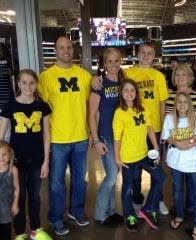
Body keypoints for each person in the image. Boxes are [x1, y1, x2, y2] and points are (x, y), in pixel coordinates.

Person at [92, 42, 169, 215]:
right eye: (143, 52)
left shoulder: (158, 75)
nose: (146, 56)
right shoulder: (127, 73)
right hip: (131, 131)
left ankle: (158, 200)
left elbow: (162, 103)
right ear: (137, 54)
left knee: (156, 167)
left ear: (154, 55)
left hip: (153, 127)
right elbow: (109, 77)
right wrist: (95, 78)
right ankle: (136, 199)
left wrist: (164, 128)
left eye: (150, 53)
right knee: (134, 171)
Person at [38, 36, 91, 235]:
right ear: (55, 50)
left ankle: (76, 211)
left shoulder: (84, 76)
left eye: (69, 47)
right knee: (56, 183)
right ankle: (56, 217)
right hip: (57, 139)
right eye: (62, 48)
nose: (66, 51)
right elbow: (40, 109)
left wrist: (92, 133)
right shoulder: (46, 77)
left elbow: (89, 106)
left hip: (80, 137)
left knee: (80, 180)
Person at [0, 69, 52, 240]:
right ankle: (20, 232)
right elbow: (1, 136)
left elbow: (46, 134)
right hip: (17, 161)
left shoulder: (42, 106)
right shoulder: (10, 106)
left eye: (31, 82)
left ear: (36, 84)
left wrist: (46, 161)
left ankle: (35, 229)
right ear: (18, 84)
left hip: (37, 159)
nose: (28, 86)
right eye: (24, 82)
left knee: (35, 196)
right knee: (20, 196)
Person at [113, 79, 165, 232]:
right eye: (126, 90)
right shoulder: (119, 113)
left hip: (143, 155)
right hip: (128, 158)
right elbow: (117, 138)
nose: (129, 93)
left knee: (161, 177)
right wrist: (117, 158)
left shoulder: (143, 108)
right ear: (121, 93)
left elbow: (149, 128)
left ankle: (148, 208)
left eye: (132, 90)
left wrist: (156, 146)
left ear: (136, 93)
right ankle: (129, 215)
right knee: (127, 187)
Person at [162, 92, 196, 240]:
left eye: (185, 102)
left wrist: (190, 145)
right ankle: (180, 216)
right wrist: (176, 143)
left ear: (190, 104)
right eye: (179, 102)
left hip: (191, 162)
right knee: (177, 190)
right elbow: (166, 137)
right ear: (175, 104)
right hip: (175, 161)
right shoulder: (170, 118)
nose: (182, 105)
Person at [88, 48, 124, 227]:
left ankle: (110, 211)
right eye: (109, 61)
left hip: (121, 138)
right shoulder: (99, 84)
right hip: (105, 136)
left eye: (116, 60)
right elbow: (92, 113)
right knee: (111, 177)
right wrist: (96, 140)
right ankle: (100, 214)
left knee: (114, 174)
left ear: (121, 61)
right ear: (104, 64)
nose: (113, 64)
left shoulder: (124, 81)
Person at [165, 64, 196, 214]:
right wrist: (173, 141)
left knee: (191, 177)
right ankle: (179, 206)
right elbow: (168, 120)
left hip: (191, 143)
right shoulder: (169, 97)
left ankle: (191, 206)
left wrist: (190, 142)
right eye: (177, 75)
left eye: (183, 75)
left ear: (190, 78)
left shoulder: (195, 96)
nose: (180, 78)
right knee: (177, 177)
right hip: (174, 143)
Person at [0, 140, 19, 240]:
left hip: (7, 208)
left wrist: (15, 204)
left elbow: (16, 187)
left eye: (4, 154)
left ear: (9, 154)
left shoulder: (13, 170)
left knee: (6, 233)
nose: (1, 158)